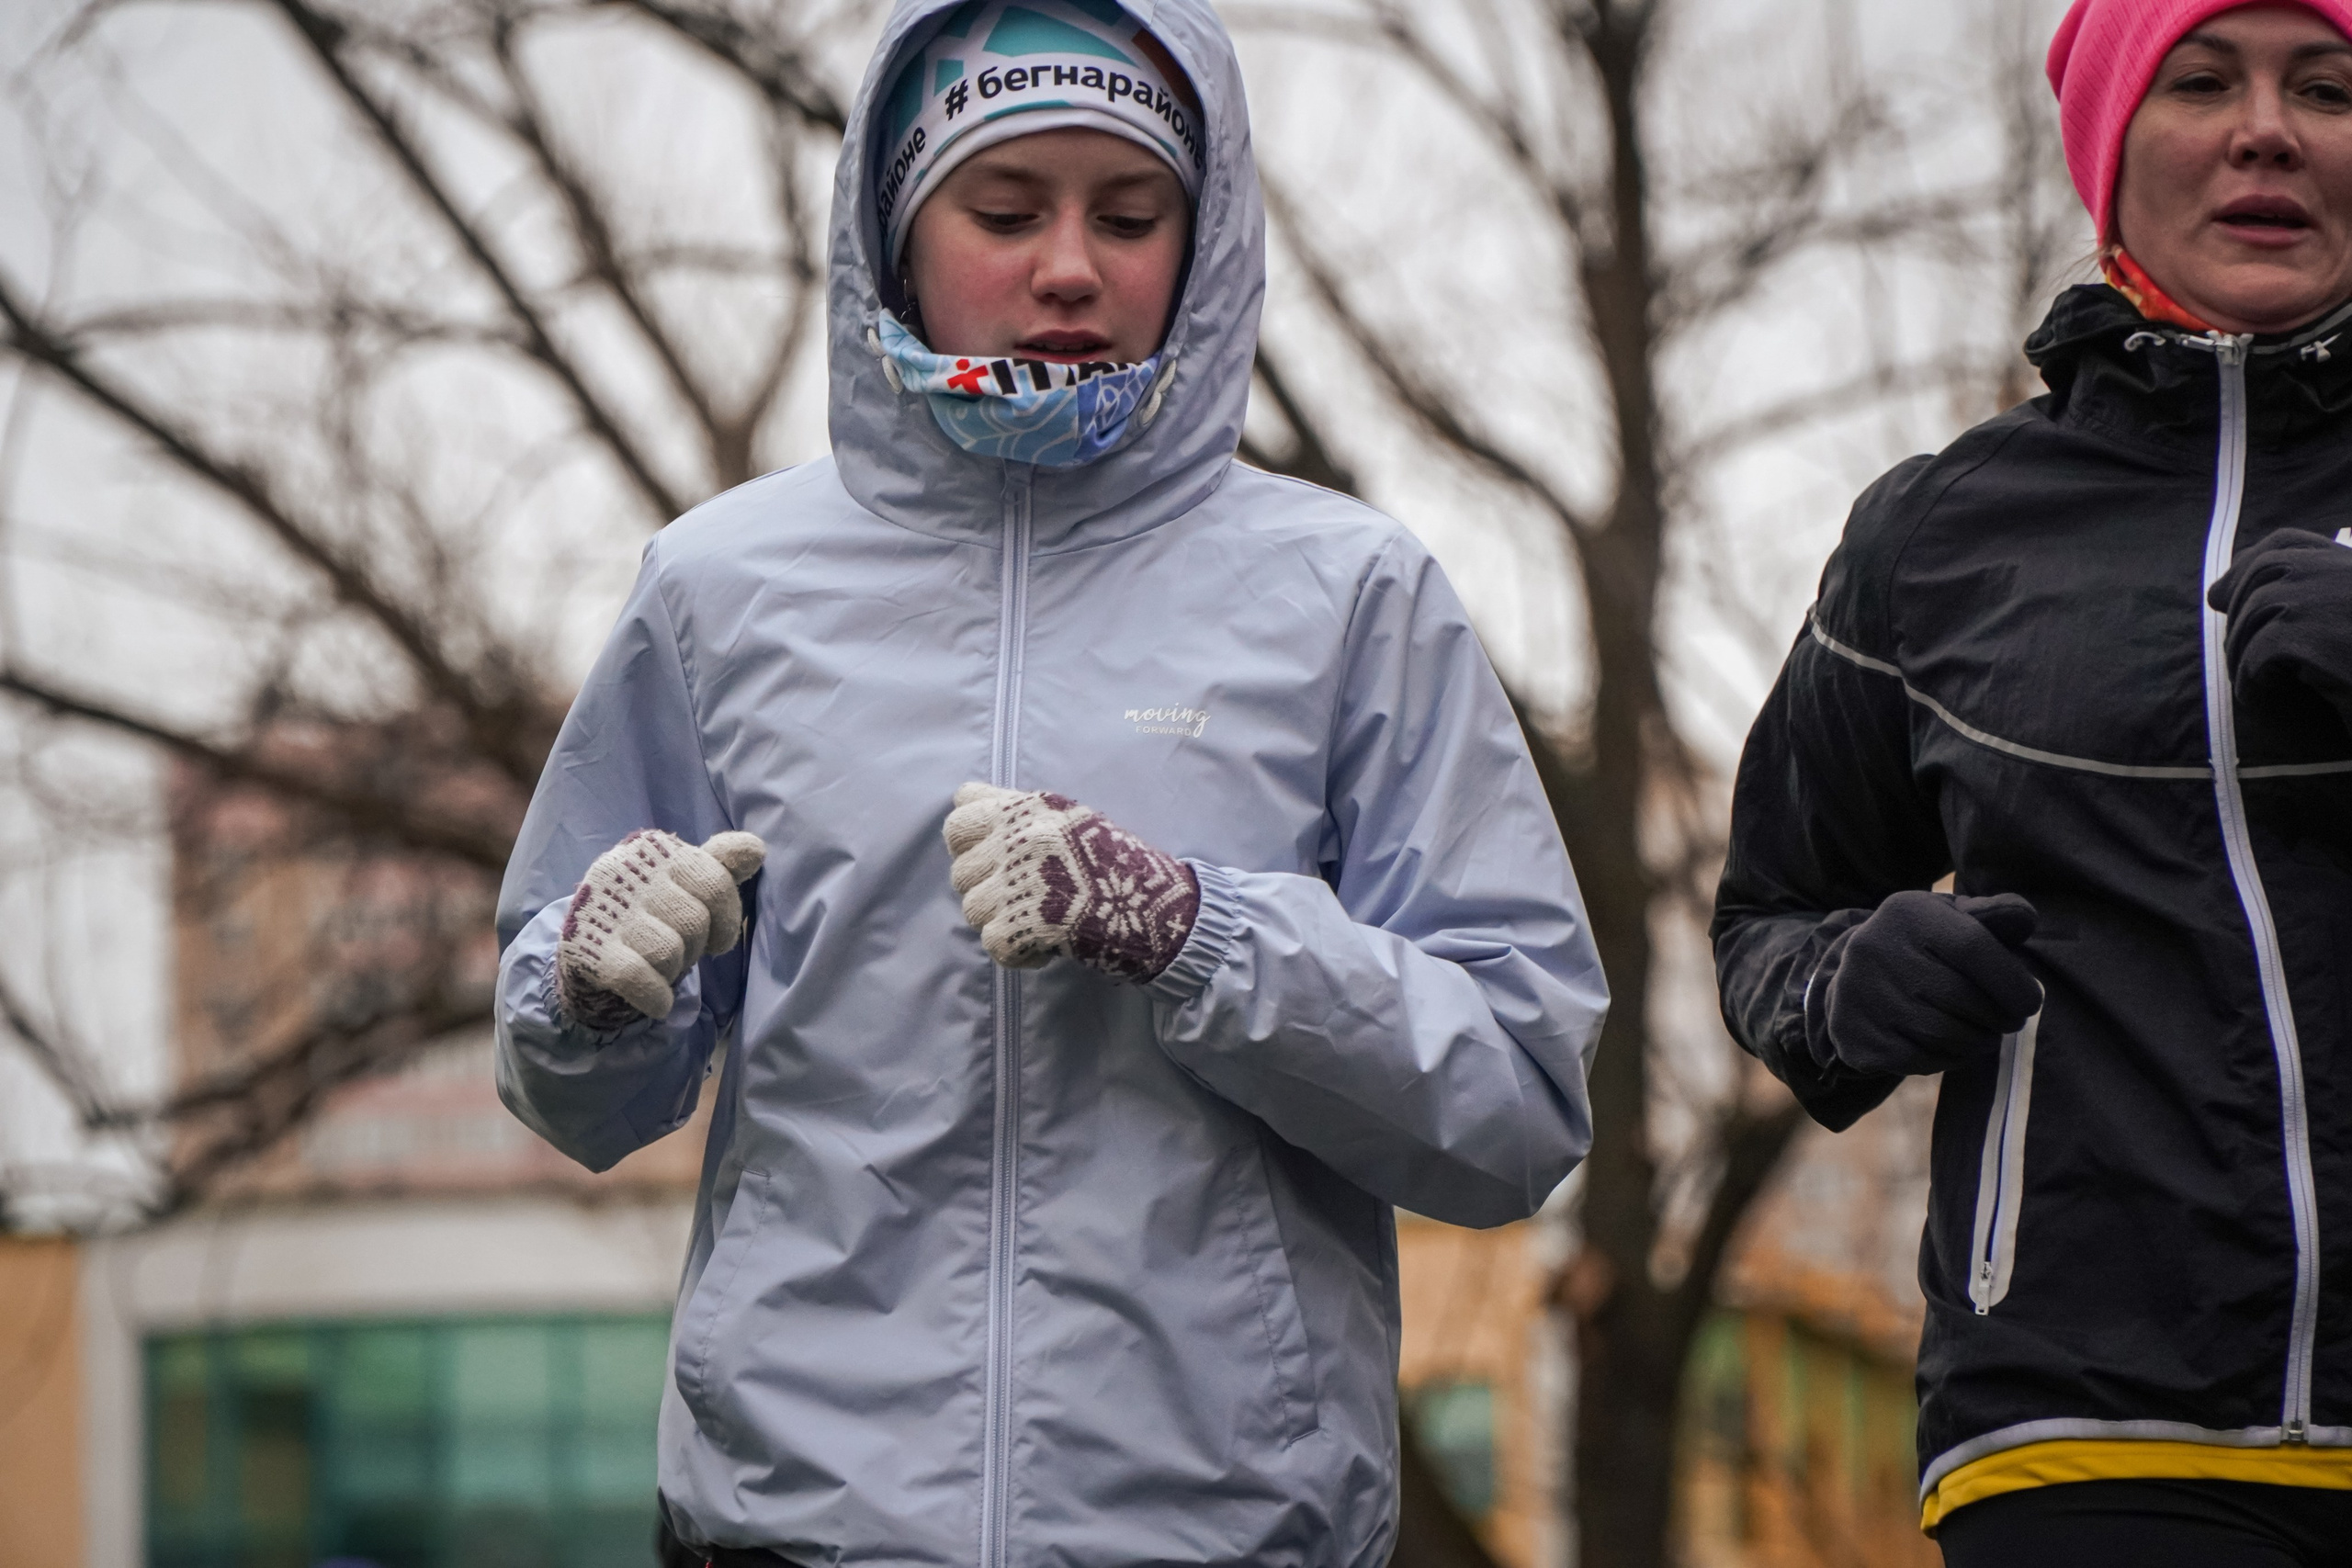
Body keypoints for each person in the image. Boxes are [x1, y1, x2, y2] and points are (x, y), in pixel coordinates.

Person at [492, 2, 1609, 1564]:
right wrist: (586, 992)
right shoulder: (716, 589)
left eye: (1131, 214)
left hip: (1223, 1529)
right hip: (793, 1523)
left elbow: (1518, 1103)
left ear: (1202, 240)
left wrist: (1198, 932)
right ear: (896, 229)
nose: (1071, 265)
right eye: (1006, 210)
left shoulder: (1349, 592)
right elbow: (579, 1103)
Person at [1713, 1, 2352, 1562]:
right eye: (2201, 80)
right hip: (2082, 1431)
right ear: (2109, 145)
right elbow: (1766, 917)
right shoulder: (1941, 535)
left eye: (2328, 87)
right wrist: (1848, 989)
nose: (2266, 128)